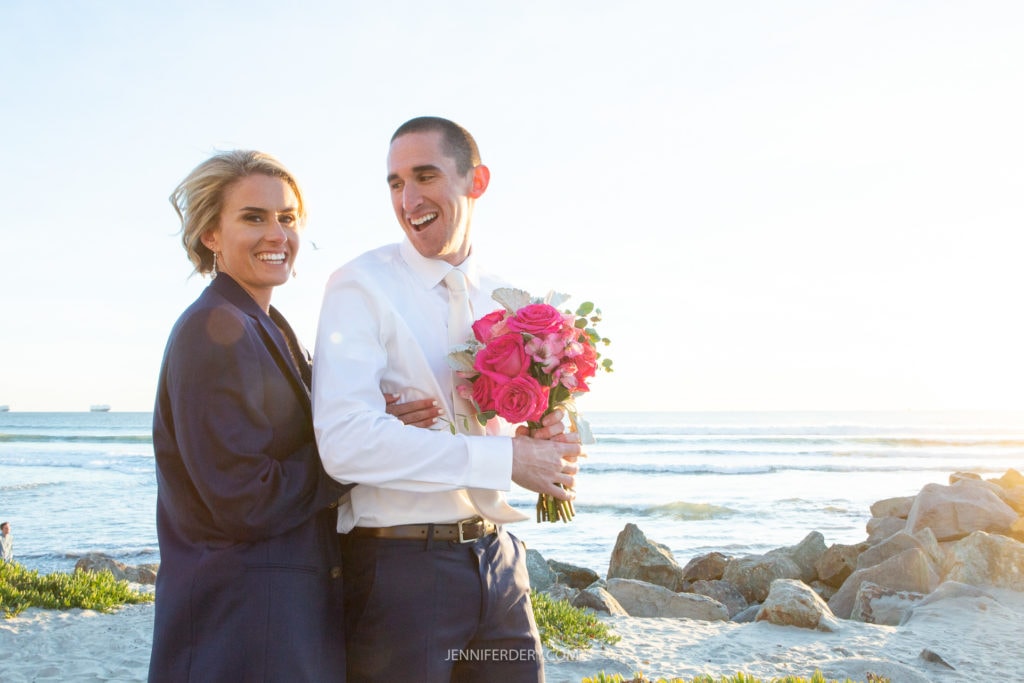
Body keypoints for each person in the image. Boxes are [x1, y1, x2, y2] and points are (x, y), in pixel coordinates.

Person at [313, 116, 583, 682]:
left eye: (425, 176)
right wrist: (509, 461)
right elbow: (344, 445)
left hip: (501, 561)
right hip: (401, 574)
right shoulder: (359, 286)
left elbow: (510, 429)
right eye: (394, 183)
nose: (408, 199)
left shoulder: (509, 299)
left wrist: (544, 439)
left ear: (476, 181)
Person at [149, 150, 434, 682]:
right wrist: (359, 451)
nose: (277, 234)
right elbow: (244, 498)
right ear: (210, 234)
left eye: (287, 218)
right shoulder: (212, 329)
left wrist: (373, 417)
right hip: (241, 629)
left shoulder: (267, 324)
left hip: (278, 619)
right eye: (253, 218)